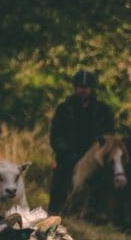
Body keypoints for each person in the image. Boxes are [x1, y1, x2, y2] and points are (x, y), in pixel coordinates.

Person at [48, 69, 116, 213]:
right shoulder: (64, 109)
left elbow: (109, 135)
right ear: (75, 88)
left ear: (91, 89)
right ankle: (56, 209)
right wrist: (66, 151)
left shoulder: (102, 110)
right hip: (70, 154)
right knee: (60, 177)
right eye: (80, 87)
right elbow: (56, 135)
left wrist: (98, 152)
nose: (83, 90)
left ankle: (106, 212)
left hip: (95, 155)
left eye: (86, 87)